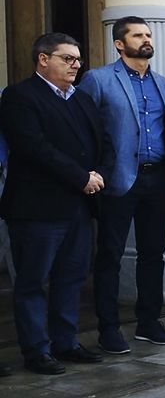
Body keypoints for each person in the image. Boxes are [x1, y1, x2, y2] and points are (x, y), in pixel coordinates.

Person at [2, 33, 107, 374]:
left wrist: (99, 173)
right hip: (37, 208)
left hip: (79, 205)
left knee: (71, 277)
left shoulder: (82, 99)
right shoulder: (20, 97)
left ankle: (66, 342)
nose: (76, 65)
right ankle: (36, 350)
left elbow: (101, 140)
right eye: (68, 59)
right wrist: (81, 177)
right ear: (43, 60)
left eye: (78, 59)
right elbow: (34, 148)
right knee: (33, 281)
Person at [77, 17, 165, 352]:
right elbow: (84, 129)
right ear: (120, 43)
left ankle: (149, 322)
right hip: (118, 180)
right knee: (110, 254)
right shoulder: (99, 79)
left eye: (148, 34)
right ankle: (108, 328)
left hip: (157, 178)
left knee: (154, 254)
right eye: (138, 35)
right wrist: (94, 172)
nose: (146, 39)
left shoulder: (162, 83)